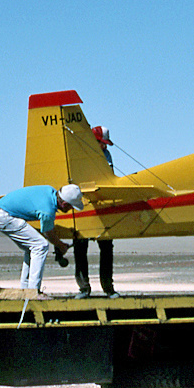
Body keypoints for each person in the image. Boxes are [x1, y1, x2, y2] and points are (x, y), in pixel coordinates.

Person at [0, 183, 84, 296]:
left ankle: (25, 289)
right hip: (5, 217)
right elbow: (48, 233)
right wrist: (60, 245)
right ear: (64, 204)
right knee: (40, 245)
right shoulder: (47, 211)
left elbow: (48, 230)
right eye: (71, 207)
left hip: (1, 213)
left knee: (32, 248)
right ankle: (34, 292)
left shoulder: (49, 191)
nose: (71, 210)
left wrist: (58, 243)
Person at [74, 126, 118, 298]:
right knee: (80, 245)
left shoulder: (107, 155)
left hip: (103, 205)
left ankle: (108, 288)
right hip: (82, 204)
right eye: (102, 143)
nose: (105, 147)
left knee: (106, 246)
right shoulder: (79, 155)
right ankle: (84, 288)